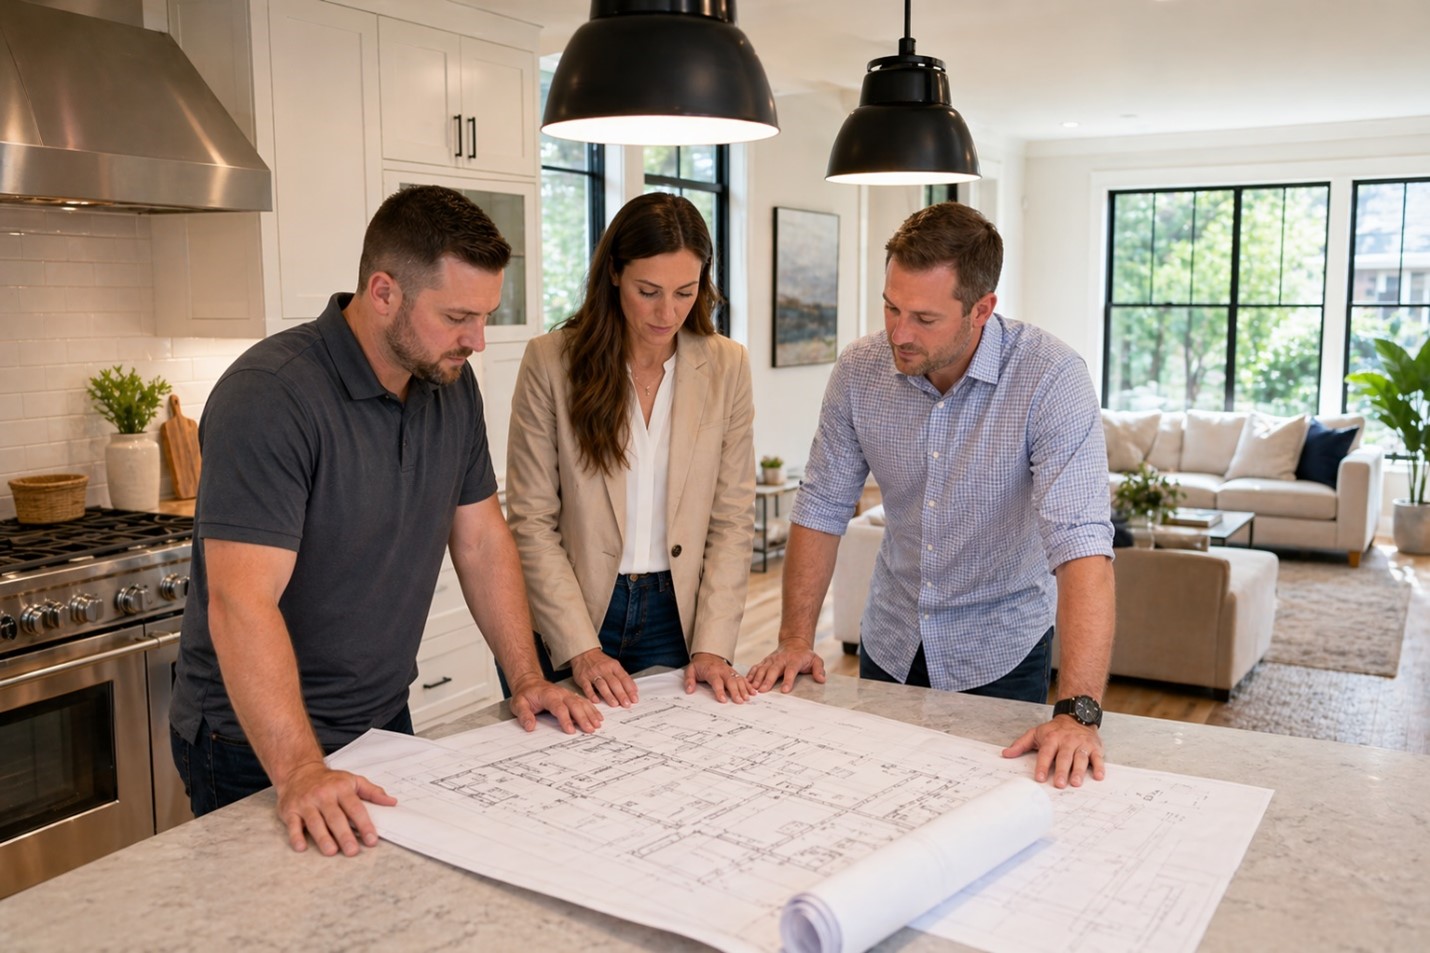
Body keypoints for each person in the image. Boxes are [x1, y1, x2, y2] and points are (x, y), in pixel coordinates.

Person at [169, 185, 602, 857]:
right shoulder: (272, 396)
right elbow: (239, 599)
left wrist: (526, 677)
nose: (477, 341)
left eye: (485, 315)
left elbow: (483, 540)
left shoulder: (447, 385)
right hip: (255, 745)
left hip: (381, 720)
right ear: (383, 292)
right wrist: (302, 768)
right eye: (458, 315)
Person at [747, 202, 1115, 789]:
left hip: (1000, 649)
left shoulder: (1050, 378)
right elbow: (820, 507)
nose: (899, 333)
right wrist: (794, 639)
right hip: (891, 641)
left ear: (982, 310)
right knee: (873, 797)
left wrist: (1078, 711)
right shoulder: (859, 371)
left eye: (924, 318)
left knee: (982, 815)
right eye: (891, 307)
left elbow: (1082, 547)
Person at [505, 192, 756, 708]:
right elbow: (531, 520)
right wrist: (579, 648)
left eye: (686, 293)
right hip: (571, 611)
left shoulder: (727, 366)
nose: (668, 313)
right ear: (615, 273)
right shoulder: (551, 362)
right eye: (649, 291)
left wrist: (713, 645)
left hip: (675, 615)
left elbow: (732, 518)